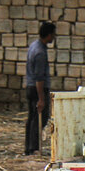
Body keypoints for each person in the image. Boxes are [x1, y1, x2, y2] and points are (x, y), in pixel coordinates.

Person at [25, 21, 56, 156]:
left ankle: (29, 147)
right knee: (40, 118)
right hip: (37, 89)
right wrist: (42, 99)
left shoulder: (34, 46)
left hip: (30, 87)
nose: (54, 37)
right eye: (53, 35)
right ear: (48, 35)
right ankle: (34, 147)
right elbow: (39, 78)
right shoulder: (40, 53)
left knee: (32, 117)